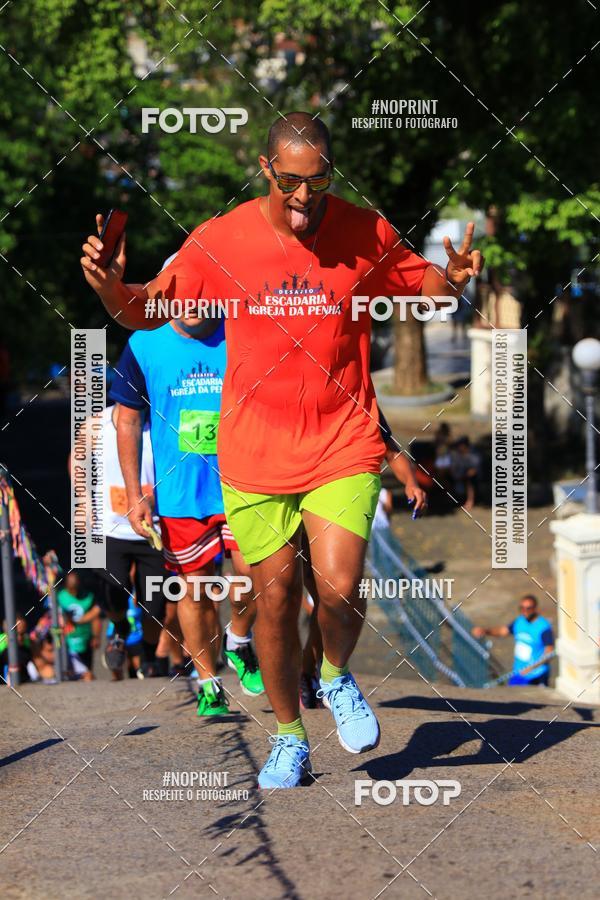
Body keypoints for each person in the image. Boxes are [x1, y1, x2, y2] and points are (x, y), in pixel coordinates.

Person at [81, 111, 484, 787]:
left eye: (318, 181)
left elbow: (424, 286)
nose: (304, 197)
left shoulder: (364, 230)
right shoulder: (221, 240)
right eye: (291, 180)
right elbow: (143, 312)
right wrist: (108, 289)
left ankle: (333, 674)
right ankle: (289, 736)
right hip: (255, 453)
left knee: (340, 583)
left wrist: (455, 279)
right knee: (272, 602)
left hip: (341, 440)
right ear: (268, 169)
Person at [109, 310, 264, 716]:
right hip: (181, 495)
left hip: (243, 484)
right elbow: (127, 418)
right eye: (181, 294)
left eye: (201, 290)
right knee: (197, 593)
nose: (191, 302)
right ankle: (208, 683)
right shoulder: (144, 345)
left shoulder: (243, 332)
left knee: (253, 575)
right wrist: (134, 494)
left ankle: (239, 638)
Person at [472, 594, 554, 686]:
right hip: (518, 673)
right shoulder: (519, 621)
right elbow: (503, 631)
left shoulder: (543, 627)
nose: (525, 611)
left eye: (528, 608)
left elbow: (549, 653)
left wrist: (531, 668)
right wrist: (485, 631)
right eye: (522, 608)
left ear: (535, 609)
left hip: (536, 676)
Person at [57, 572, 102, 681]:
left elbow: (96, 617)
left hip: (86, 640)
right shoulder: (59, 596)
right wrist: (58, 640)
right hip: (66, 643)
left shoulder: (88, 597)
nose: (73, 581)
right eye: (70, 579)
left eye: (75, 579)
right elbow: (55, 619)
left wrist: (96, 636)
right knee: (80, 674)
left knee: (87, 673)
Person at [450, 436, 480, 511]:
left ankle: (470, 501)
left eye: (460, 445)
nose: (459, 447)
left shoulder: (473, 453)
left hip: (471, 478)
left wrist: (465, 475)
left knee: (470, 481)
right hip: (458, 476)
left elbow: (475, 469)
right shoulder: (457, 454)